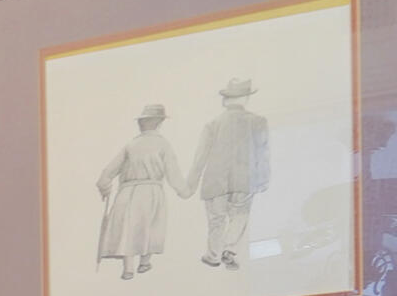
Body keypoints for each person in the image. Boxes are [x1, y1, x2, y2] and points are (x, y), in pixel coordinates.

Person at [96, 104, 188, 278]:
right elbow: (173, 174)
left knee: (128, 229)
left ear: (142, 123)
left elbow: (107, 172)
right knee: (151, 226)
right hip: (152, 192)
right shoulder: (163, 144)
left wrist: (104, 186)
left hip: (127, 192)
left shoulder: (131, 144)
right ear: (160, 123)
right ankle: (144, 263)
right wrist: (184, 191)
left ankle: (128, 269)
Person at [189, 77, 270, 270]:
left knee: (216, 219)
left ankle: (213, 255)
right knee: (240, 215)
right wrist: (263, 178)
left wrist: (191, 183)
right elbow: (263, 152)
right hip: (245, 179)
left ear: (227, 100)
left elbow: (200, 157)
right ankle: (230, 249)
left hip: (215, 180)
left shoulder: (212, 124)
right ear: (245, 98)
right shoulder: (258, 121)